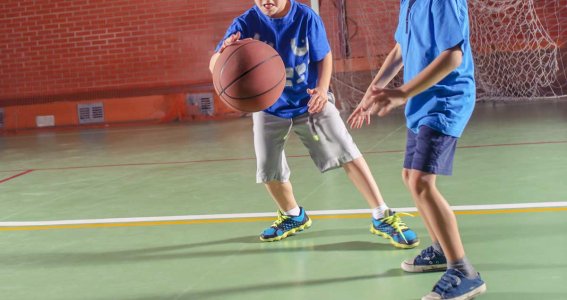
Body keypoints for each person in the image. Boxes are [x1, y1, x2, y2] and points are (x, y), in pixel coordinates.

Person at [209, 0, 418, 249]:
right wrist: (223, 55)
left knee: (347, 151)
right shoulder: (244, 23)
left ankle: (382, 215)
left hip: (309, 99)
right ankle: (292, 215)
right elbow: (214, 65)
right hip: (268, 107)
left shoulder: (305, 17)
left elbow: (324, 56)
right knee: (267, 167)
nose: (266, 1)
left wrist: (321, 89)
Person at [347, 0, 486, 299]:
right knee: (410, 176)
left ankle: (464, 272)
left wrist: (400, 93)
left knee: (422, 182)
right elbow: (400, 48)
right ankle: (439, 249)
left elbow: (453, 57)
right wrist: (375, 89)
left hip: (446, 100)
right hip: (421, 100)